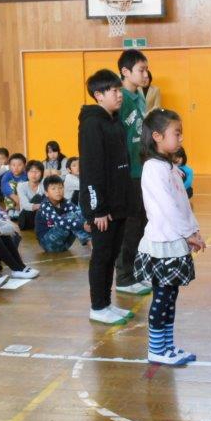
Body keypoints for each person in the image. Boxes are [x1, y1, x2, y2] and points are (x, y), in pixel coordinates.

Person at [134, 108, 206, 366]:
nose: (181, 138)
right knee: (162, 298)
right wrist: (188, 234)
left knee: (170, 298)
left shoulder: (169, 166)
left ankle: (167, 346)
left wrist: (194, 230)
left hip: (175, 242)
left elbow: (182, 204)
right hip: (162, 244)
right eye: (176, 133)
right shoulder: (153, 168)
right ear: (157, 136)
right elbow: (168, 207)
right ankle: (156, 349)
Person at [79, 69, 133, 325]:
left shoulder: (114, 120)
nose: (119, 95)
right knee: (101, 256)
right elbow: (91, 169)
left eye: (119, 89)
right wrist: (97, 209)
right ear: (99, 95)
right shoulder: (92, 124)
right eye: (113, 91)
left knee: (112, 255)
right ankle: (97, 306)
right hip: (102, 208)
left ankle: (107, 302)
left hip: (118, 203)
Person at [114, 49, 153, 296]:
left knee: (141, 225)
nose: (145, 74)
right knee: (130, 227)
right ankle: (124, 277)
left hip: (141, 170)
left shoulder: (139, 95)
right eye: (141, 69)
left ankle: (136, 272)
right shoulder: (120, 98)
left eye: (146, 69)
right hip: (127, 174)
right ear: (125, 72)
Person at [35, 175, 91, 253]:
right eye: (53, 188)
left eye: (60, 188)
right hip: (48, 244)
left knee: (79, 215)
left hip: (65, 245)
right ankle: (90, 243)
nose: (58, 191)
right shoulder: (45, 205)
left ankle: (92, 241)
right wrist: (82, 225)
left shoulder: (65, 202)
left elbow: (79, 212)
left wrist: (88, 222)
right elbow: (59, 221)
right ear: (46, 193)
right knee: (71, 217)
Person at [17, 160, 44, 230]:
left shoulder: (43, 185)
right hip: (25, 220)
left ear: (42, 174)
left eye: (37, 171)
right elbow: (25, 205)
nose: (34, 174)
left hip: (38, 218)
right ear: (27, 173)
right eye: (31, 171)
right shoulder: (21, 186)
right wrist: (43, 206)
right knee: (38, 197)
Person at [1, 153, 28, 220]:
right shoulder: (7, 175)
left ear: (24, 166)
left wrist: (19, 203)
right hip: (11, 197)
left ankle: (18, 210)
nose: (16, 168)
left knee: (23, 185)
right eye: (13, 165)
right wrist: (14, 197)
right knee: (10, 184)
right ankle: (10, 209)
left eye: (19, 165)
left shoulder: (26, 175)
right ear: (9, 166)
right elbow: (4, 187)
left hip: (21, 199)